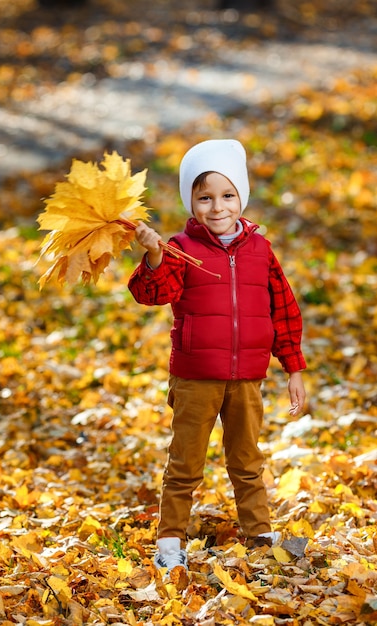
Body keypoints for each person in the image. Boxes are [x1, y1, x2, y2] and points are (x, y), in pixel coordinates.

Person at [128, 139, 306, 572]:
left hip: (247, 376)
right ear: (191, 200)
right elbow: (152, 293)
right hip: (196, 377)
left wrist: (294, 367)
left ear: (241, 197)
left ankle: (260, 534)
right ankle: (171, 541)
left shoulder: (260, 251)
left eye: (227, 195)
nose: (217, 206)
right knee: (185, 463)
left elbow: (283, 309)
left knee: (247, 459)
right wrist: (153, 255)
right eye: (204, 197)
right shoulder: (178, 248)